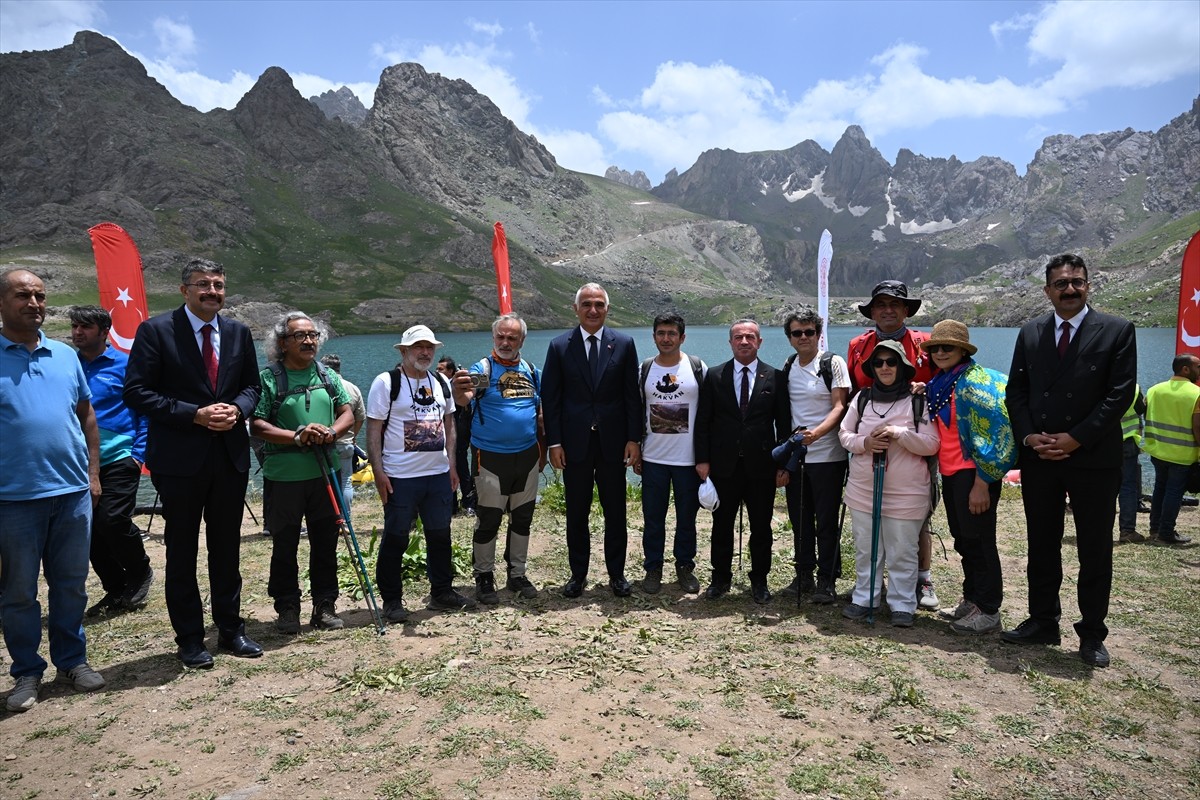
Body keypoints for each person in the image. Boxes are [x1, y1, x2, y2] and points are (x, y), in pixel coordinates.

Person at [124, 259, 263, 669]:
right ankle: (189, 639)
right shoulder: (155, 331)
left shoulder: (238, 332)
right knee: (182, 552)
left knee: (227, 548)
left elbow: (253, 386)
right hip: (179, 460)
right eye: (202, 285)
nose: (212, 292)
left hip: (229, 456)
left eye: (218, 285)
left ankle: (231, 629)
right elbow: (136, 391)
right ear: (184, 290)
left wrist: (237, 410)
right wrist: (195, 414)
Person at [1004, 253, 1137, 668]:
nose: (1069, 289)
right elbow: (1016, 392)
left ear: (1088, 285)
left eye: (1077, 282)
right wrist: (1028, 436)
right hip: (1041, 457)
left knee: (1094, 549)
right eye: (1061, 283)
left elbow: (1119, 394)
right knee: (1042, 544)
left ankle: (1093, 633)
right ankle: (1043, 621)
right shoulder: (1030, 332)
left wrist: (1076, 438)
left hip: (1093, 459)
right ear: (1048, 291)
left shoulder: (1117, 330)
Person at [1, 270, 105, 712]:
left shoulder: (65, 355)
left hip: (71, 492)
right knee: (19, 591)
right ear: (2, 302)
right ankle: (26, 672)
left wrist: (93, 474)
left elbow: (86, 417)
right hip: (13, 499)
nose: (34, 303)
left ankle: (72, 660)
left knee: (71, 583)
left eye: (40, 296)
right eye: (23, 294)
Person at [251, 313, 355, 634]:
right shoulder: (269, 378)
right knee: (285, 544)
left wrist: (331, 432)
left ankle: (324, 606)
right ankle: (287, 607)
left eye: (313, 335)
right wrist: (297, 435)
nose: (309, 341)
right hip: (284, 477)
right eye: (300, 336)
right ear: (282, 343)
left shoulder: (325, 374)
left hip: (326, 472)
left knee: (325, 542)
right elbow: (256, 424)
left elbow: (346, 412)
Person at [366, 324, 474, 620]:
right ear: (404, 351)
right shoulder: (387, 383)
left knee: (440, 536)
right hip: (400, 477)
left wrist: (452, 465)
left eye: (429, 347)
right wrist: (378, 472)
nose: (425, 352)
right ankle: (392, 600)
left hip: (437, 476)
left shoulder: (440, 381)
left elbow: (449, 423)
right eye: (418, 347)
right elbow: (373, 430)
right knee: (397, 538)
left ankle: (441, 592)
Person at [541, 283, 641, 598]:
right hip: (574, 446)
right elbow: (551, 398)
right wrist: (554, 442)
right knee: (576, 512)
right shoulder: (559, 346)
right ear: (576, 309)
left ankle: (617, 575)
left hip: (613, 444)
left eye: (599, 304)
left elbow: (631, 397)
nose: (593, 309)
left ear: (607, 308)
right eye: (587, 304)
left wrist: (633, 439)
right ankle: (577, 575)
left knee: (616, 512)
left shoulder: (624, 344)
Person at [845, 281, 939, 610]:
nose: (887, 310)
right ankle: (869, 589)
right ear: (871, 311)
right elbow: (854, 391)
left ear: (906, 310)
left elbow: (942, 380)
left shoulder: (926, 343)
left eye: (895, 304)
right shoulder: (858, 345)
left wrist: (924, 391)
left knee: (914, 516)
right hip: (871, 437)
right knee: (870, 522)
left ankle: (920, 578)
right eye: (881, 304)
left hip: (915, 431)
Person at [919, 320, 1016, 635]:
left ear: (962, 350)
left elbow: (996, 432)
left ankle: (988, 609)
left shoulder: (974, 383)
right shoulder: (944, 382)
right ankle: (972, 599)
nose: (940, 352)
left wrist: (983, 483)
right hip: (951, 473)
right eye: (935, 348)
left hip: (973, 475)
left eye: (947, 347)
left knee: (980, 541)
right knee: (964, 539)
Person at [694, 319, 791, 604]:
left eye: (750, 337)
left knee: (761, 527)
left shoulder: (775, 377)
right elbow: (703, 422)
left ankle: (760, 580)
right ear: (731, 342)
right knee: (721, 525)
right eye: (739, 337)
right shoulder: (713, 376)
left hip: (762, 466)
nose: (744, 341)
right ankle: (720, 578)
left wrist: (784, 464)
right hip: (723, 465)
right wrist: (702, 460)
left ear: (760, 342)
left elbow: (783, 426)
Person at [451, 313, 544, 603]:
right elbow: (464, 399)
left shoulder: (531, 369)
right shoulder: (483, 368)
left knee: (523, 518)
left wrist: (547, 446)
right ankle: (484, 576)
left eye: (512, 337)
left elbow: (539, 412)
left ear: (522, 341)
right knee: (489, 517)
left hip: (527, 456)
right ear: (494, 338)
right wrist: (458, 391)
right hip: (489, 456)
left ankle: (517, 573)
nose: (505, 342)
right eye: (501, 337)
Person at [69, 306, 153, 617]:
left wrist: (137, 455)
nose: (78, 332)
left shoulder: (126, 364)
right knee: (85, 529)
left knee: (112, 520)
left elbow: (145, 411)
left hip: (119, 456)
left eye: (86, 327)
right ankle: (117, 589)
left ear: (105, 331)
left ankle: (140, 571)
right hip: (76, 461)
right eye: (75, 326)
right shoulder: (68, 365)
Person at [778, 310, 850, 605]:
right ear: (790, 338)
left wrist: (817, 434)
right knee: (800, 519)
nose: (804, 337)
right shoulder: (789, 365)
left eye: (809, 331)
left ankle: (827, 579)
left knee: (826, 520)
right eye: (797, 333)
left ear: (819, 333)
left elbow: (839, 405)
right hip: (798, 458)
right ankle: (804, 573)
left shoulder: (832, 363)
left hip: (828, 456)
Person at [634, 313, 707, 594]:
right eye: (661, 333)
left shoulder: (697, 368)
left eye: (671, 334)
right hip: (653, 459)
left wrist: (704, 457)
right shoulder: (644, 369)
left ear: (682, 337)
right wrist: (636, 450)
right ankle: (653, 568)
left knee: (686, 519)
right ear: (654, 337)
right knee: (653, 519)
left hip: (688, 461)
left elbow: (708, 416)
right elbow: (636, 412)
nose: (666, 339)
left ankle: (685, 567)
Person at [1142, 353, 1200, 545]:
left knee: (1160, 489)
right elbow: (1197, 426)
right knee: (1174, 492)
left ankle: (1154, 528)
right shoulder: (1196, 393)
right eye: (1198, 367)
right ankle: (1166, 533)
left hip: (1158, 450)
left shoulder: (1154, 390)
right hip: (1182, 454)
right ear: (1185, 369)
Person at [320, 353, 366, 523]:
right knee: (346, 481)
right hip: (347, 442)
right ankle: (346, 519)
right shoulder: (353, 388)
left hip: (326, 443)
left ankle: (329, 518)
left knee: (325, 483)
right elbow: (360, 416)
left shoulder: (320, 386)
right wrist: (353, 435)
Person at [439, 355, 477, 516]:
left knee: (462, 468)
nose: (437, 371)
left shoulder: (461, 385)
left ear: (451, 371)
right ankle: (451, 504)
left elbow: (467, 405)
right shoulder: (436, 385)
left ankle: (469, 503)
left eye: (441, 369)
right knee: (447, 469)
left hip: (460, 434)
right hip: (443, 436)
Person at [1117, 385, 1148, 543]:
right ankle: (1127, 530)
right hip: (1126, 441)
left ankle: (1095, 529)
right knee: (1127, 486)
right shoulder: (1133, 388)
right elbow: (1141, 408)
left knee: (1100, 487)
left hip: (1099, 442)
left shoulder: (1092, 382)